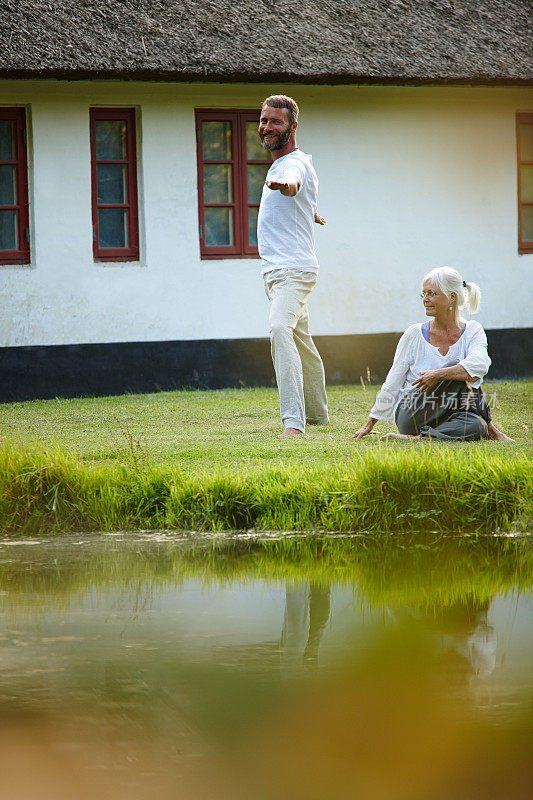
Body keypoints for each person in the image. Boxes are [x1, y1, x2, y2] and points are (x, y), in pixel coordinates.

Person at [353, 267, 512, 442]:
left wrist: (437, 375)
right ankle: (493, 430)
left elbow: (480, 364)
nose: (426, 300)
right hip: (413, 412)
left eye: (432, 293)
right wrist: (370, 423)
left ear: (452, 297)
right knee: (457, 370)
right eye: (424, 294)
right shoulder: (414, 333)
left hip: (448, 411)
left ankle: (417, 439)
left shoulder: (473, 330)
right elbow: (393, 380)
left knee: (476, 425)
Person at [257, 95, 329, 438]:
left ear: (292, 127)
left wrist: (287, 187)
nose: (267, 127)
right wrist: (308, 210)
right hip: (277, 272)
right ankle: (318, 414)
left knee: (279, 330)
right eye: (264, 120)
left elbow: (295, 183)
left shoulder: (291, 166)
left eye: (276, 122)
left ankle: (293, 423)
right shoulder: (284, 164)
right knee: (303, 342)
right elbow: (300, 197)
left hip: (292, 272)